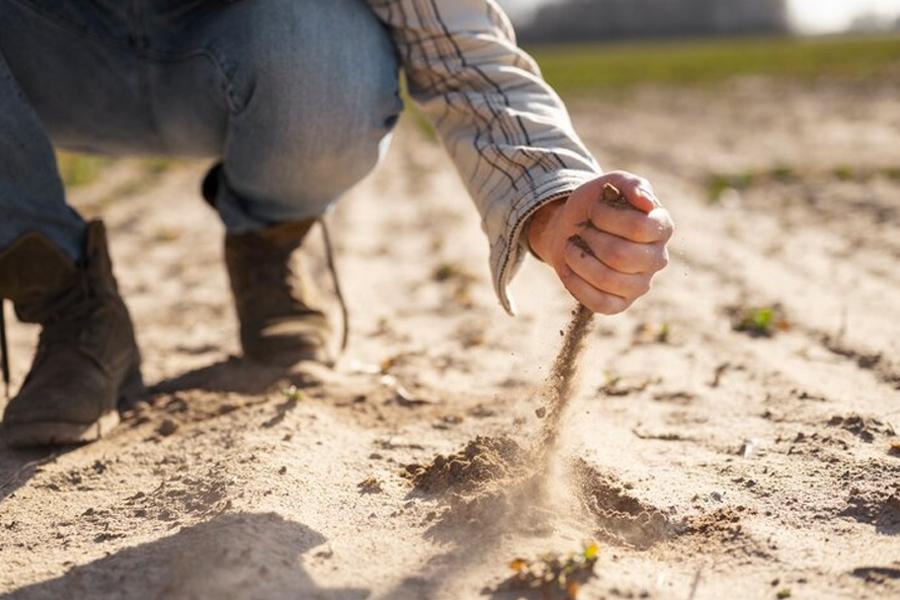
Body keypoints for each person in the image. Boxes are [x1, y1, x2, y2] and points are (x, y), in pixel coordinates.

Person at [0, 0, 674, 447]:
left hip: (243, 52)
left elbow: (459, 50)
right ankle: (65, 296)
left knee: (326, 46)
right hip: (43, 53)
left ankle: (270, 240)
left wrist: (552, 200)